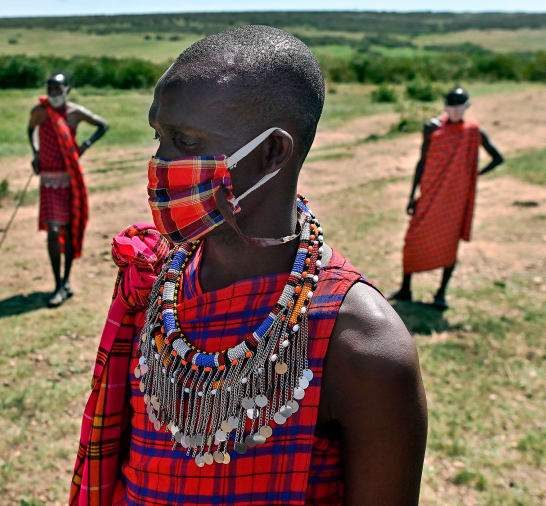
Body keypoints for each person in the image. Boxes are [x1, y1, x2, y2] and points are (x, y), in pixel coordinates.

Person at [69, 26, 427, 505]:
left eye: (186, 142)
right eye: (159, 137)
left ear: (271, 154)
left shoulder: (362, 345)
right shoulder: (157, 285)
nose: (160, 163)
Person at [392, 86, 503, 309]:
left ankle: (441, 294)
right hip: (430, 194)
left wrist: (473, 175)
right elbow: (422, 162)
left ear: (466, 107)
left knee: (449, 244)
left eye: (459, 106)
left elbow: (497, 158)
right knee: (412, 240)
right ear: (445, 106)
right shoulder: (432, 128)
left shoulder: (473, 132)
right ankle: (406, 289)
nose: (454, 111)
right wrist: (413, 194)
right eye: (450, 106)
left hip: (455, 199)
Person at [27, 73, 108, 307]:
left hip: (70, 179)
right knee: (53, 230)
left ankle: (66, 281)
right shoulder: (40, 112)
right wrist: (35, 154)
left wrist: (85, 145)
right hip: (49, 181)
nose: (53, 92)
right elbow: (29, 130)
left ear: (67, 89)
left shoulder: (75, 113)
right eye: (49, 88)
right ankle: (57, 285)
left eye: (57, 88)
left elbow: (103, 125)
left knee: (70, 229)